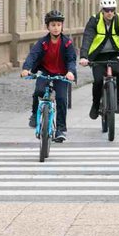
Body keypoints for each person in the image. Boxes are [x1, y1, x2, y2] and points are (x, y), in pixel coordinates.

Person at [21, 10, 77, 143]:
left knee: (62, 98)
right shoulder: (42, 43)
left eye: (58, 25)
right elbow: (33, 55)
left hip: (61, 75)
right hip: (45, 73)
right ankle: (35, 114)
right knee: (38, 91)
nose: (56, 28)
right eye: (53, 25)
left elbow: (71, 60)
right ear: (48, 27)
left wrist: (70, 72)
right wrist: (26, 68)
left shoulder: (67, 43)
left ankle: (60, 130)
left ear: (62, 26)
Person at [79, 0, 119, 120]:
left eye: (112, 10)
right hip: (98, 55)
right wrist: (84, 56)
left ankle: (118, 102)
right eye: (107, 10)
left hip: (116, 54)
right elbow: (87, 37)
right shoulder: (95, 20)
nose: (109, 12)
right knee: (98, 81)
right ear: (102, 10)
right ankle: (95, 105)